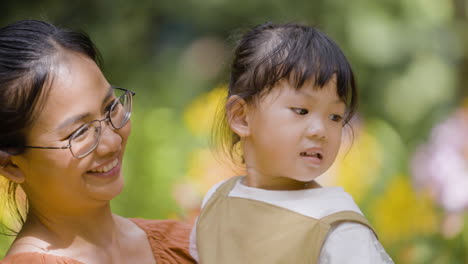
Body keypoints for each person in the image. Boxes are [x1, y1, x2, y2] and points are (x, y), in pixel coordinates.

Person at [190, 22, 395, 263]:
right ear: (241, 117)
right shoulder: (217, 202)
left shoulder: (337, 226)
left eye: (335, 117)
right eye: (301, 111)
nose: (320, 131)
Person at [0, 19, 195, 264]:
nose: (111, 142)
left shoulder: (185, 244)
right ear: (11, 165)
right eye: (79, 132)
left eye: (111, 107)